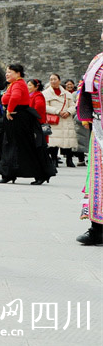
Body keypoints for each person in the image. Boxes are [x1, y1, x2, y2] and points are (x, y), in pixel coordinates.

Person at [0, 64, 53, 185]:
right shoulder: (15, 84)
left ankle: (39, 173)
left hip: (18, 117)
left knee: (23, 145)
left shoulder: (18, 84)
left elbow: (15, 97)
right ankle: (9, 173)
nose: (7, 74)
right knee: (11, 145)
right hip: (15, 118)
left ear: (18, 73)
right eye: (6, 72)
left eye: (10, 72)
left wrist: (9, 110)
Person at [75, 24, 103, 245]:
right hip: (100, 126)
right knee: (98, 179)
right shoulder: (97, 60)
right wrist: (86, 114)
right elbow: (85, 86)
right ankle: (97, 227)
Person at [44, 73, 78, 168]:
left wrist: (68, 111)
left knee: (68, 140)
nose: (53, 81)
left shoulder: (67, 94)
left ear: (59, 80)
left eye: (55, 79)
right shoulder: (46, 93)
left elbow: (73, 105)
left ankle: (69, 159)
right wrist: (57, 111)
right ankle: (54, 159)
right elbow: (45, 106)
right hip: (55, 119)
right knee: (53, 141)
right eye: (51, 79)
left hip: (66, 119)